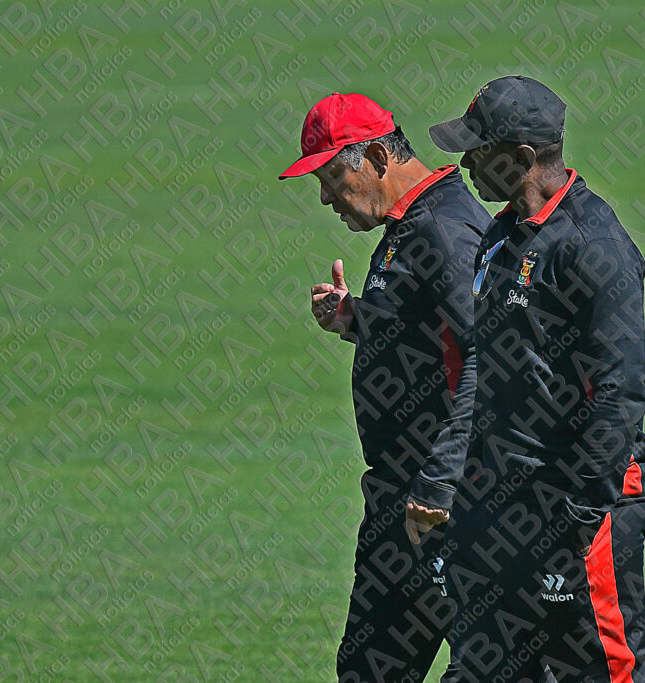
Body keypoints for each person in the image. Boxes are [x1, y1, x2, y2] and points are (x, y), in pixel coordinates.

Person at [429, 76, 645, 682]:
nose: (466, 164)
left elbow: (620, 393)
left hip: (582, 505)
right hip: (503, 501)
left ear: (524, 159)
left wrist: (580, 516)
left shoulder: (594, 245)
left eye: (478, 151)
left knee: (602, 672)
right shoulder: (501, 236)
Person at [280, 92, 490, 682]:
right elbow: (433, 337)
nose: (324, 198)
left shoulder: (447, 231)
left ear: (374, 155)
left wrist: (441, 483)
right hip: (402, 500)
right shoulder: (412, 225)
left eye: (328, 177)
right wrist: (360, 320)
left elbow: (485, 358)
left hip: (440, 506)